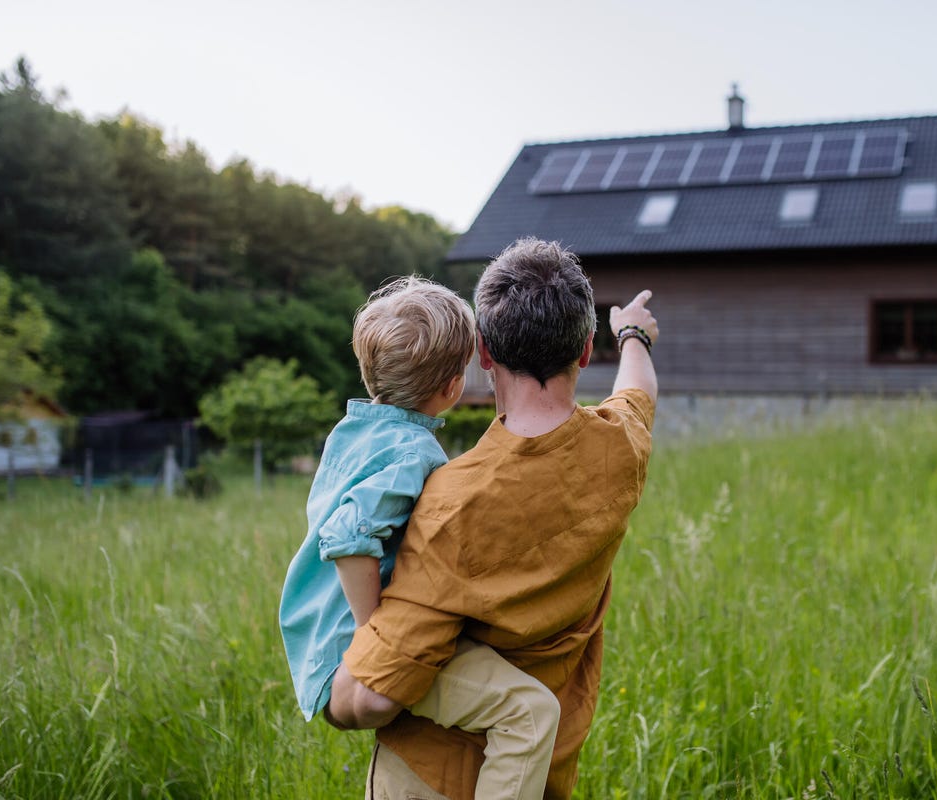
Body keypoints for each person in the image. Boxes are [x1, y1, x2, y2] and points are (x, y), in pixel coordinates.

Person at [329, 238, 660, 799]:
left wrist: (333, 698)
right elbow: (637, 389)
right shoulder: (622, 448)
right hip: (536, 776)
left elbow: (372, 695)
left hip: (431, 778)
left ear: (482, 352)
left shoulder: (448, 502)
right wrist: (632, 333)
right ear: (583, 350)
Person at [278, 276, 561, 800]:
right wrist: (375, 642)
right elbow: (347, 534)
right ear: (454, 387)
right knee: (532, 711)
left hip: (315, 646)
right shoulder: (415, 455)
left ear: (369, 373)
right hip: (350, 651)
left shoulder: (352, 433)